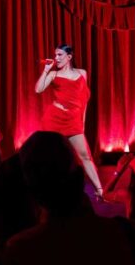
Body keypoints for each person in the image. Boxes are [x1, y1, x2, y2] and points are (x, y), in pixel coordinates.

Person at [34, 43, 103, 200]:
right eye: (55, 55)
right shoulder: (53, 75)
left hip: (73, 120)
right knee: (50, 156)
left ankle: (99, 189)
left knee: (85, 155)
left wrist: (82, 123)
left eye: (60, 55)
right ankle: (46, 193)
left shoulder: (82, 74)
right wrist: (46, 70)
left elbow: (84, 101)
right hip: (54, 118)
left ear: (69, 57)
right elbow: (38, 89)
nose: (56, 58)